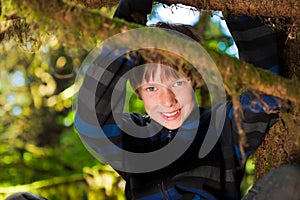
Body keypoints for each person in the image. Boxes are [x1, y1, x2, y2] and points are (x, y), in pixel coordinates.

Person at [74, 1, 283, 199]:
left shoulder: (221, 127)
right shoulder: (133, 138)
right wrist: (130, 16)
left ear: (196, 80)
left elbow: (265, 93)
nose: (167, 101)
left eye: (178, 84)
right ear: (138, 93)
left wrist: (235, 7)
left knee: (287, 181)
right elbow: (90, 118)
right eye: (152, 88)